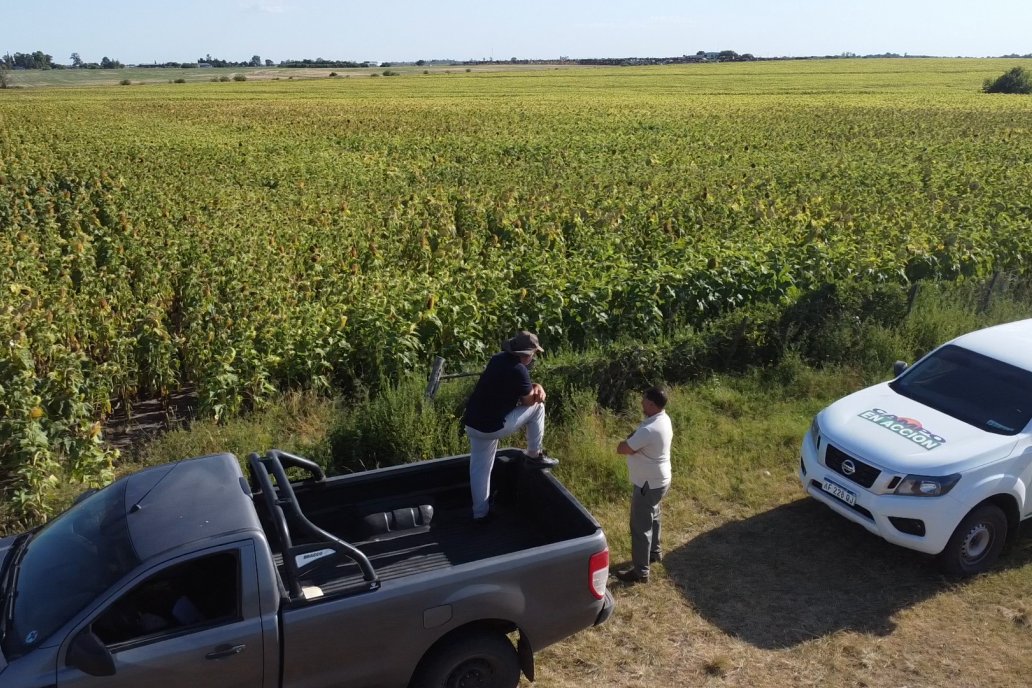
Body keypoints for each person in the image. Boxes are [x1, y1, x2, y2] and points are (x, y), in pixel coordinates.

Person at [462, 330, 556, 523]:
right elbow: (529, 401)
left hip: (473, 423)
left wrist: (534, 385)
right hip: (493, 426)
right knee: (539, 408)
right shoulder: (519, 369)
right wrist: (539, 389)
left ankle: (480, 514)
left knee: (480, 468)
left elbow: (521, 388)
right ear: (528, 355)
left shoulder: (497, 360)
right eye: (534, 354)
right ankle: (534, 454)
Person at [614, 386, 673, 584]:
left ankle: (640, 572)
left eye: (644, 400)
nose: (641, 403)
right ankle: (655, 553)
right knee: (654, 516)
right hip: (660, 480)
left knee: (640, 526)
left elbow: (622, 448)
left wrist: (630, 444)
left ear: (652, 404)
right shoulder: (663, 419)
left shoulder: (649, 429)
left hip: (647, 484)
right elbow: (634, 440)